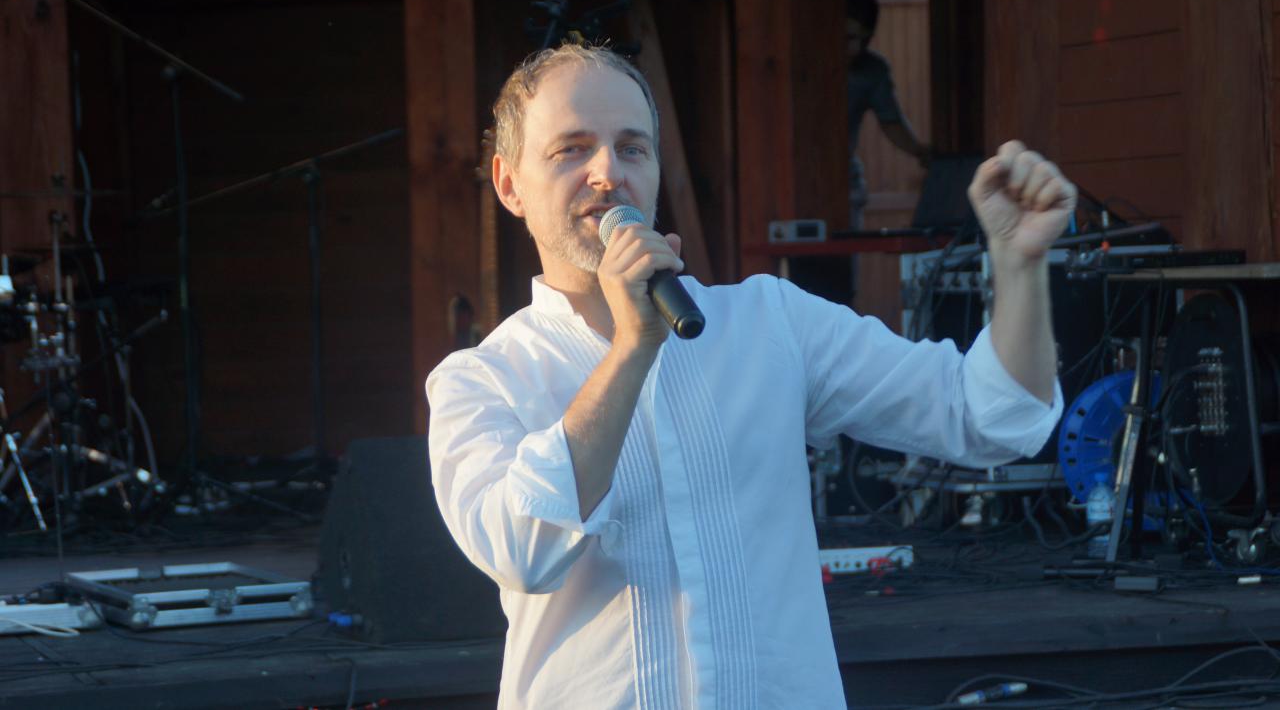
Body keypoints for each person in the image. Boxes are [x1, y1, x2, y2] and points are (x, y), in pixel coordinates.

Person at [426, 43, 1072, 709]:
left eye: (632, 148)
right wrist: (631, 350)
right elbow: (525, 552)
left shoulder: (771, 322)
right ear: (509, 184)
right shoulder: (479, 380)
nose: (608, 173)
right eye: (572, 149)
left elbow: (992, 417)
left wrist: (1019, 263)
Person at [846, 0, 930, 231]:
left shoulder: (871, 71)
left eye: (859, 39)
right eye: (846, 37)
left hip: (846, 179)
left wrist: (920, 152)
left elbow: (890, 121)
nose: (853, 48)